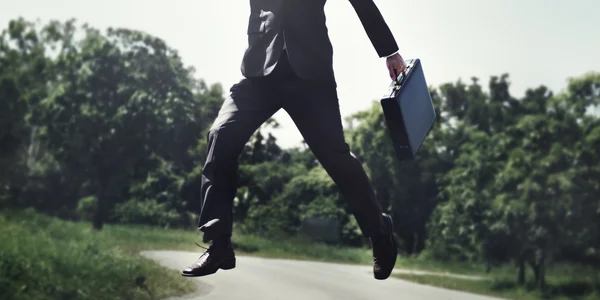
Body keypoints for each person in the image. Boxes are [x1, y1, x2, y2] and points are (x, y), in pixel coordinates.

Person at [182, 0, 407, 280]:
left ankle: (379, 231)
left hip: (310, 76)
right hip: (260, 69)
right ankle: (219, 244)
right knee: (221, 135)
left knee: (336, 158)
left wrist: (389, 51)